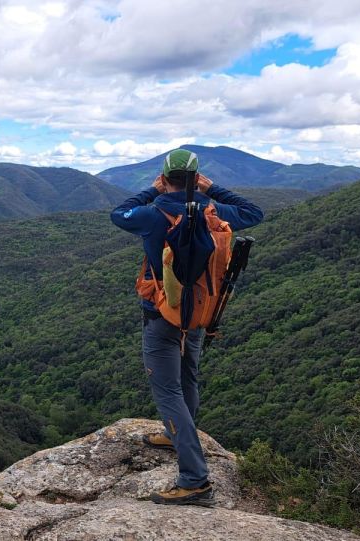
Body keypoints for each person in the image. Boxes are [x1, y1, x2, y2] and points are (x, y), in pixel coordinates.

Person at [110, 149, 263, 505]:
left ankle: (195, 480)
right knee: (188, 376)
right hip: (199, 312)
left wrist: (152, 191)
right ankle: (175, 433)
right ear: (197, 180)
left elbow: (117, 214)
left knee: (167, 391)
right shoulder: (213, 211)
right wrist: (215, 189)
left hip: (162, 313)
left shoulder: (152, 213)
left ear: (165, 178)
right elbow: (254, 213)